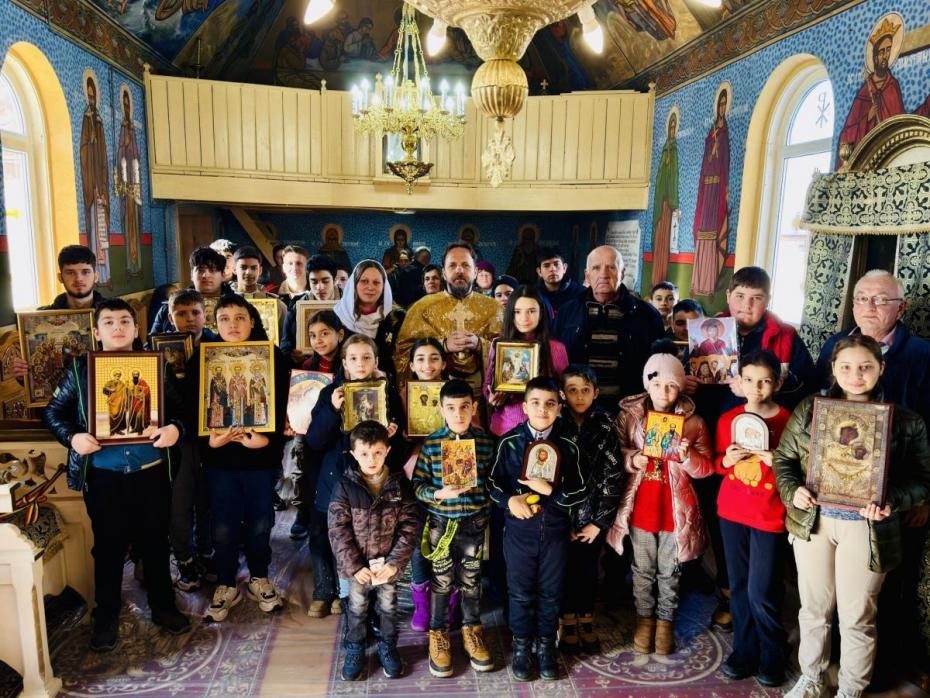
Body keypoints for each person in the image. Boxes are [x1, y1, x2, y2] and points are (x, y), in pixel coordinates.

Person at [774, 335, 930, 698]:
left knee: (857, 617)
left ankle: (850, 690)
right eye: (845, 367)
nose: (855, 375)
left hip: (867, 527)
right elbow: (784, 460)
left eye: (865, 367)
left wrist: (891, 499)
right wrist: (793, 490)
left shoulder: (905, 422)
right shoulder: (811, 409)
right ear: (833, 369)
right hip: (814, 522)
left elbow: (924, 481)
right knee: (813, 609)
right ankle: (811, 678)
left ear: (881, 368)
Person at [43, 299, 189, 651]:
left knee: (155, 542)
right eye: (108, 322)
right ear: (96, 332)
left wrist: (174, 429)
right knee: (108, 547)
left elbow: (181, 409)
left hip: (150, 472)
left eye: (125, 321)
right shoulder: (81, 370)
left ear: (137, 329)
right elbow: (54, 412)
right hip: (104, 475)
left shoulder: (157, 367)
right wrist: (73, 437)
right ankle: (106, 615)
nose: (118, 327)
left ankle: (163, 607)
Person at [606, 352, 713, 656]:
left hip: (675, 510)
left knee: (670, 570)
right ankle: (644, 620)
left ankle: (665, 621)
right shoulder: (630, 417)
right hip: (641, 506)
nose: (664, 392)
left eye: (671, 385)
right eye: (657, 385)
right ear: (646, 385)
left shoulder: (694, 422)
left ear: (680, 387)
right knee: (642, 568)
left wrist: (687, 457)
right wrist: (632, 459)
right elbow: (614, 451)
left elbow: (707, 468)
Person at [488, 377, 586, 681]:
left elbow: (581, 489)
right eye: (536, 403)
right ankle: (521, 646)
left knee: (551, 592)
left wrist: (551, 492)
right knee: (519, 592)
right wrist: (509, 501)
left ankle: (545, 647)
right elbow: (492, 483)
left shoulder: (568, 445)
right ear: (525, 407)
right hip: (519, 533)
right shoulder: (509, 442)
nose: (542, 409)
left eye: (550, 403)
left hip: (555, 532)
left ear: (559, 408)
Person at [199, 295, 290, 623]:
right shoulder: (204, 358)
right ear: (215, 324)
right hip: (221, 461)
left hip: (259, 461)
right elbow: (197, 407)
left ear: (252, 321)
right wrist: (211, 440)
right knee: (222, 523)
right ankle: (226, 582)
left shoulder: (272, 357)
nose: (233, 325)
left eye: (240, 317)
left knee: (260, 521)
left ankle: (259, 577)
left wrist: (266, 441)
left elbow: (283, 406)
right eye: (224, 319)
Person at [304, 335, 406, 619]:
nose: (360, 363)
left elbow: (398, 446)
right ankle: (325, 589)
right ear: (344, 363)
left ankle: (354, 592)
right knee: (326, 531)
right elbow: (314, 440)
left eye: (366, 357)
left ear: (376, 361)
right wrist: (332, 410)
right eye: (353, 358)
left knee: (364, 535)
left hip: (371, 479)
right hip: (336, 475)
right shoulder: (331, 393)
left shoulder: (386, 393)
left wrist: (392, 434)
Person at [714, 351, 790, 687]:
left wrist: (777, 461)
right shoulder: (728, 418)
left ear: (777, 383)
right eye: (749, 380)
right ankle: (745, 649)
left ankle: (774, 651)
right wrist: (727, 460)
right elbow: (718, 463)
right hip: (731, 511)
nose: (756, 388)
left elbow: (799, 470)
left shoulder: (788, 420)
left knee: (763, 589)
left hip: (769, 514)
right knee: (739, 586)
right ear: (738, 381)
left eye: (764, 381)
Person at [413, 379, 496, 677]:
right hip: (441, 524)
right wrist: (438, 493)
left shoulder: (485, 443)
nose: (458, 414)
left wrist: (483, 497)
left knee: (472, 580)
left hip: (474, 523)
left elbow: (496, 482)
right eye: (451, 408)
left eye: (464, 407)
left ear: (474, 408)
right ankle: (439, 634)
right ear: (441, 410)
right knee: (442, 581)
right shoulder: (432, 443)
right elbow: (417, 484)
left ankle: (472, 630)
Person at [329, 421, 420, 681]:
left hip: (387, 566)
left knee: (389, 607)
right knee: (357, 607)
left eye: (378, 452)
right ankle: (356, 647)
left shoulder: (400, 485)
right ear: (354, 454)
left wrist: (394, 563)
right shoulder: (345, 486)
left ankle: (387, 646)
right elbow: (337, 530)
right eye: (365, 454)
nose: (371, 459)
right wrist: (355, 567)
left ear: (387, 450)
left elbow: (410, 527)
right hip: (358, 568)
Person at [558, 365, 623, 655]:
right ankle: (566, 620)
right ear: (563, 394)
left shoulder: (605, 424)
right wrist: (561, 520)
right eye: (573, 390)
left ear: (596, 393)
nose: (580, 396)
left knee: (587, 569)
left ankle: (585, 617)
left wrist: (599, 522)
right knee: (562, 569)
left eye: (586, 390)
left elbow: (613, 476)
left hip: (592, 516)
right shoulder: (555, 423)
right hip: (561, 516)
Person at [555, 245, 664, 409]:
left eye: (611, 267)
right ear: (587, 275)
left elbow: (660, 363)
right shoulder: (568, 312)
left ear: (622, 273)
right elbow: (554, 360)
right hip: (577, 409)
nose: (604, 275)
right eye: (596, 268)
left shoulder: (646, 315)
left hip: (630, 409)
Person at [159, 289, 218, 591]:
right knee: (179, 503)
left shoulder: (218, 346)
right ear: (171, 318)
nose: (190, 319)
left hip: (212, 436)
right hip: (177, 439)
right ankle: (184, 559)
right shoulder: (159, 350)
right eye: (181, 314)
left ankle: (208, 552)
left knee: (209, 500)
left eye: (195, 312)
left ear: (205, 315)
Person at [394, 242, 501, 397]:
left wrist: (480, 345)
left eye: (465, 265)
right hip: (435, 397)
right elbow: (402, 352)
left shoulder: (494, 308)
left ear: (475, 272)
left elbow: (511, 353)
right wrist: (441, 346)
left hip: (484, 398)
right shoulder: (422, 308)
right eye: (452, 265)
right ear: (444, 273)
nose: (459, 270)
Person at [402, 338, 450, 632]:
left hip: (448, 475)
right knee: (419, 537)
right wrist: (403, 435)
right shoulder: (402, 394)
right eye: (420, 359)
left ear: (444, 363)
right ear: (411, 365)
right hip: (415, 474)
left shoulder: (455, 392)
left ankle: (449, 599)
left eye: (434, 358)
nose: (427, 365)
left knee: (448, 538)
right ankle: (421, 601)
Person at [11, 245, 109, 380]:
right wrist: (23, 375)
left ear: (96, 276)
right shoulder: (41, 319)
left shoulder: (117, 313)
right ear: (60, 277)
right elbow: (38, 377)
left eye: (85, 272)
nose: (78, 278)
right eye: (70, 272)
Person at [289, 310, 345, 544]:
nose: (318, 340)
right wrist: (292, 419)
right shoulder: (307, 366)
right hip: (310, 432)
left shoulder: (348, 366)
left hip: (338, 434)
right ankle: (305, 515)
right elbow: (297, 402)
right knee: (307, 475)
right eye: (312, 335)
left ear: (340, 335)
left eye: (324, 333)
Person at [484, 286, 568, 436]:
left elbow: (564, 388)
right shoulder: (498, 345)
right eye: (517, 312)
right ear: (510, 314)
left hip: (544, 428)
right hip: (505, 427)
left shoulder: (556, 348)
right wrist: (493, 397)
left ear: (541, 314)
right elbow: (487, 385)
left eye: (531, 311)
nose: (524, 318)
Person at [150, 247, 234, 335]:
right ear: (191, 275)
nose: (205, 275)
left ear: (223, 275)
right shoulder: (169, 308)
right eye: (200, 270)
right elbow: (153, 341)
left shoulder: (238, 305)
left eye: (212, 270)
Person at [281, 254, 342, 364]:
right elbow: (285, 346)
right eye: (314, 282)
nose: (319, 287)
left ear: (334, 280)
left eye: (325, 281)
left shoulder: (348, 305)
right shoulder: (296, 307)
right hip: (306, 368)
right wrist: (292, 355)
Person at [232, 246, 287, 341]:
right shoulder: (222, 303)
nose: (248, 272)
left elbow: (285, 340)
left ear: (260, 270)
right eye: (243, 267)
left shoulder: (276, 305)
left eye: (254, 268)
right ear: (234, 269)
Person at [536, 246, 585, 315]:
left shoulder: (581, 293)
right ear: (539, 272)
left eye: (556, 264)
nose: (552, 269)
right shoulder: (534, 295)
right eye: (546, 265)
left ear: (564, 268)